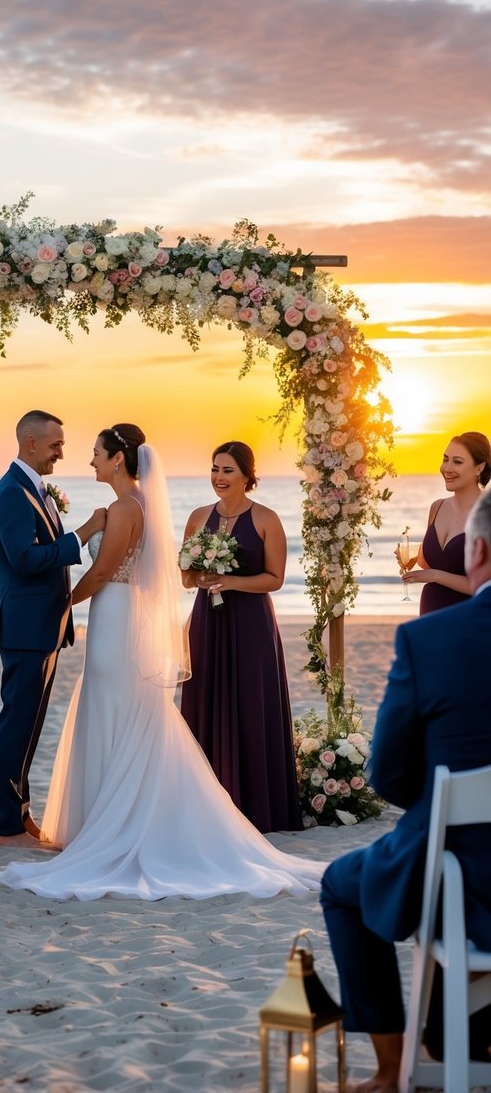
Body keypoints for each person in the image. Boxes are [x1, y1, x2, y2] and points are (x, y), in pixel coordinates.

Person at [0, 424, 325, 900]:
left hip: (117, 617)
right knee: (118, 708)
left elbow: (104, 571)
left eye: (97, 453)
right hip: (120, 616)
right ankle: (108, 815)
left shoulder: (126, 508)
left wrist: (63, 603)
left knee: (114, 708)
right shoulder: (137, 504)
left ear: (118, 460)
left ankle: (110, 820)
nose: (91, 462)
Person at [320, 487, 491, 1093]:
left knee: (342, 885)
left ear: (479, 552)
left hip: (463, 870)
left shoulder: (432, 641)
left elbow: (387, 772)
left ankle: (392, 1071)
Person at [0, 409, 106, 849]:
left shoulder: (35, 489)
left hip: (44, 626)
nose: (62, 451)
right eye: (56, 444)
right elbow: (25, 559)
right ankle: (7, 826)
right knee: (16, 725)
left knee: (30, 726)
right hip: (23, 627)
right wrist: (84, 533)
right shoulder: (12, 494)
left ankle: (20, 816)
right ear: (31, 442)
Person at [179, 440, 301, 832]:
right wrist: (202, 578)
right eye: (215, 469)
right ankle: (205, 804)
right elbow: (184, 576)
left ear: (248, 475)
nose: (219, 477)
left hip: (250, 624)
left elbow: (275, 578)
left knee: (251, 703)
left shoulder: (266, 518)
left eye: (228, 470)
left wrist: (228, 581)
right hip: (208, 623)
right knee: (206, 700)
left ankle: (256, 806)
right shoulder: (198, 517)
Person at [400, 430, 490, 614]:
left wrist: (435, 576)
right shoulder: (437, 507)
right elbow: (429, 563)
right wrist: (410, 556)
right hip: (430, 611)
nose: (446, 468)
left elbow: (484, 587)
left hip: (468, 616)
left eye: (457, 462)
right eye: (445, 459)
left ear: (479, 468)